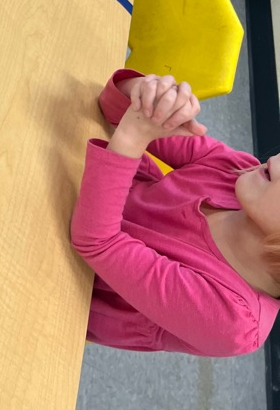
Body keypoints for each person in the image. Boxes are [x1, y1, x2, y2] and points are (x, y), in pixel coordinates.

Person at [71, 69, 280, 356]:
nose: (277, 160)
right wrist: (149, 95)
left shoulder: (234, 322)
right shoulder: (243, 172)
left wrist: (132, 136)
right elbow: (113, 106)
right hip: (66, 194)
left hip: (57, 291)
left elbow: (97, 242)